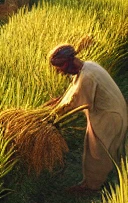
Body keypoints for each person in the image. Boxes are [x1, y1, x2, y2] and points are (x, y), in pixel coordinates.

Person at [48, 42, 127, 193]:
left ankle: (92, 186)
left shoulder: (87, 76)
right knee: (110, 148)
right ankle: (114, 177)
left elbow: (76, 100)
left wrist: (52, 113)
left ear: (69, 62)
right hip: (112, 111)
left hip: (108, 116)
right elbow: (74, 89)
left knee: (97, 153)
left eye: (60, 68)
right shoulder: (87, 66)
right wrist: (59, 100)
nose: (60, 72)